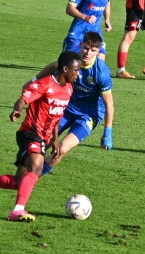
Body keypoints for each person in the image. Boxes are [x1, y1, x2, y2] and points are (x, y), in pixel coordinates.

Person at [0, 51, 81, 222]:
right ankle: (17, 210)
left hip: (43, 138)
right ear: (65, 69)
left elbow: (56, 117)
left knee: (19, 182)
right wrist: (18, 109)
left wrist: (55, 140)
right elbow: (23, 98)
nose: (78, 74)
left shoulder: (68, 89)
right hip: (29, 132)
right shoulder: (44, 85)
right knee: (37, 168)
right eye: (76, 70)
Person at [26, 32, 114, 177]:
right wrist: (33, 81)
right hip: (65, 110)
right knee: (43, 143)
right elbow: (54, 65)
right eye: (86, 48)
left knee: (62, 148)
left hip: (89, 115)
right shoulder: (70, 60)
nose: (88, 53)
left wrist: (108, 133)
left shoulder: (101, 72)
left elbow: (108, 103)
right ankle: (25, 173)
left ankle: (33, 178)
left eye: (93, 50)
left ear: (98, 51)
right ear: (80, 45)